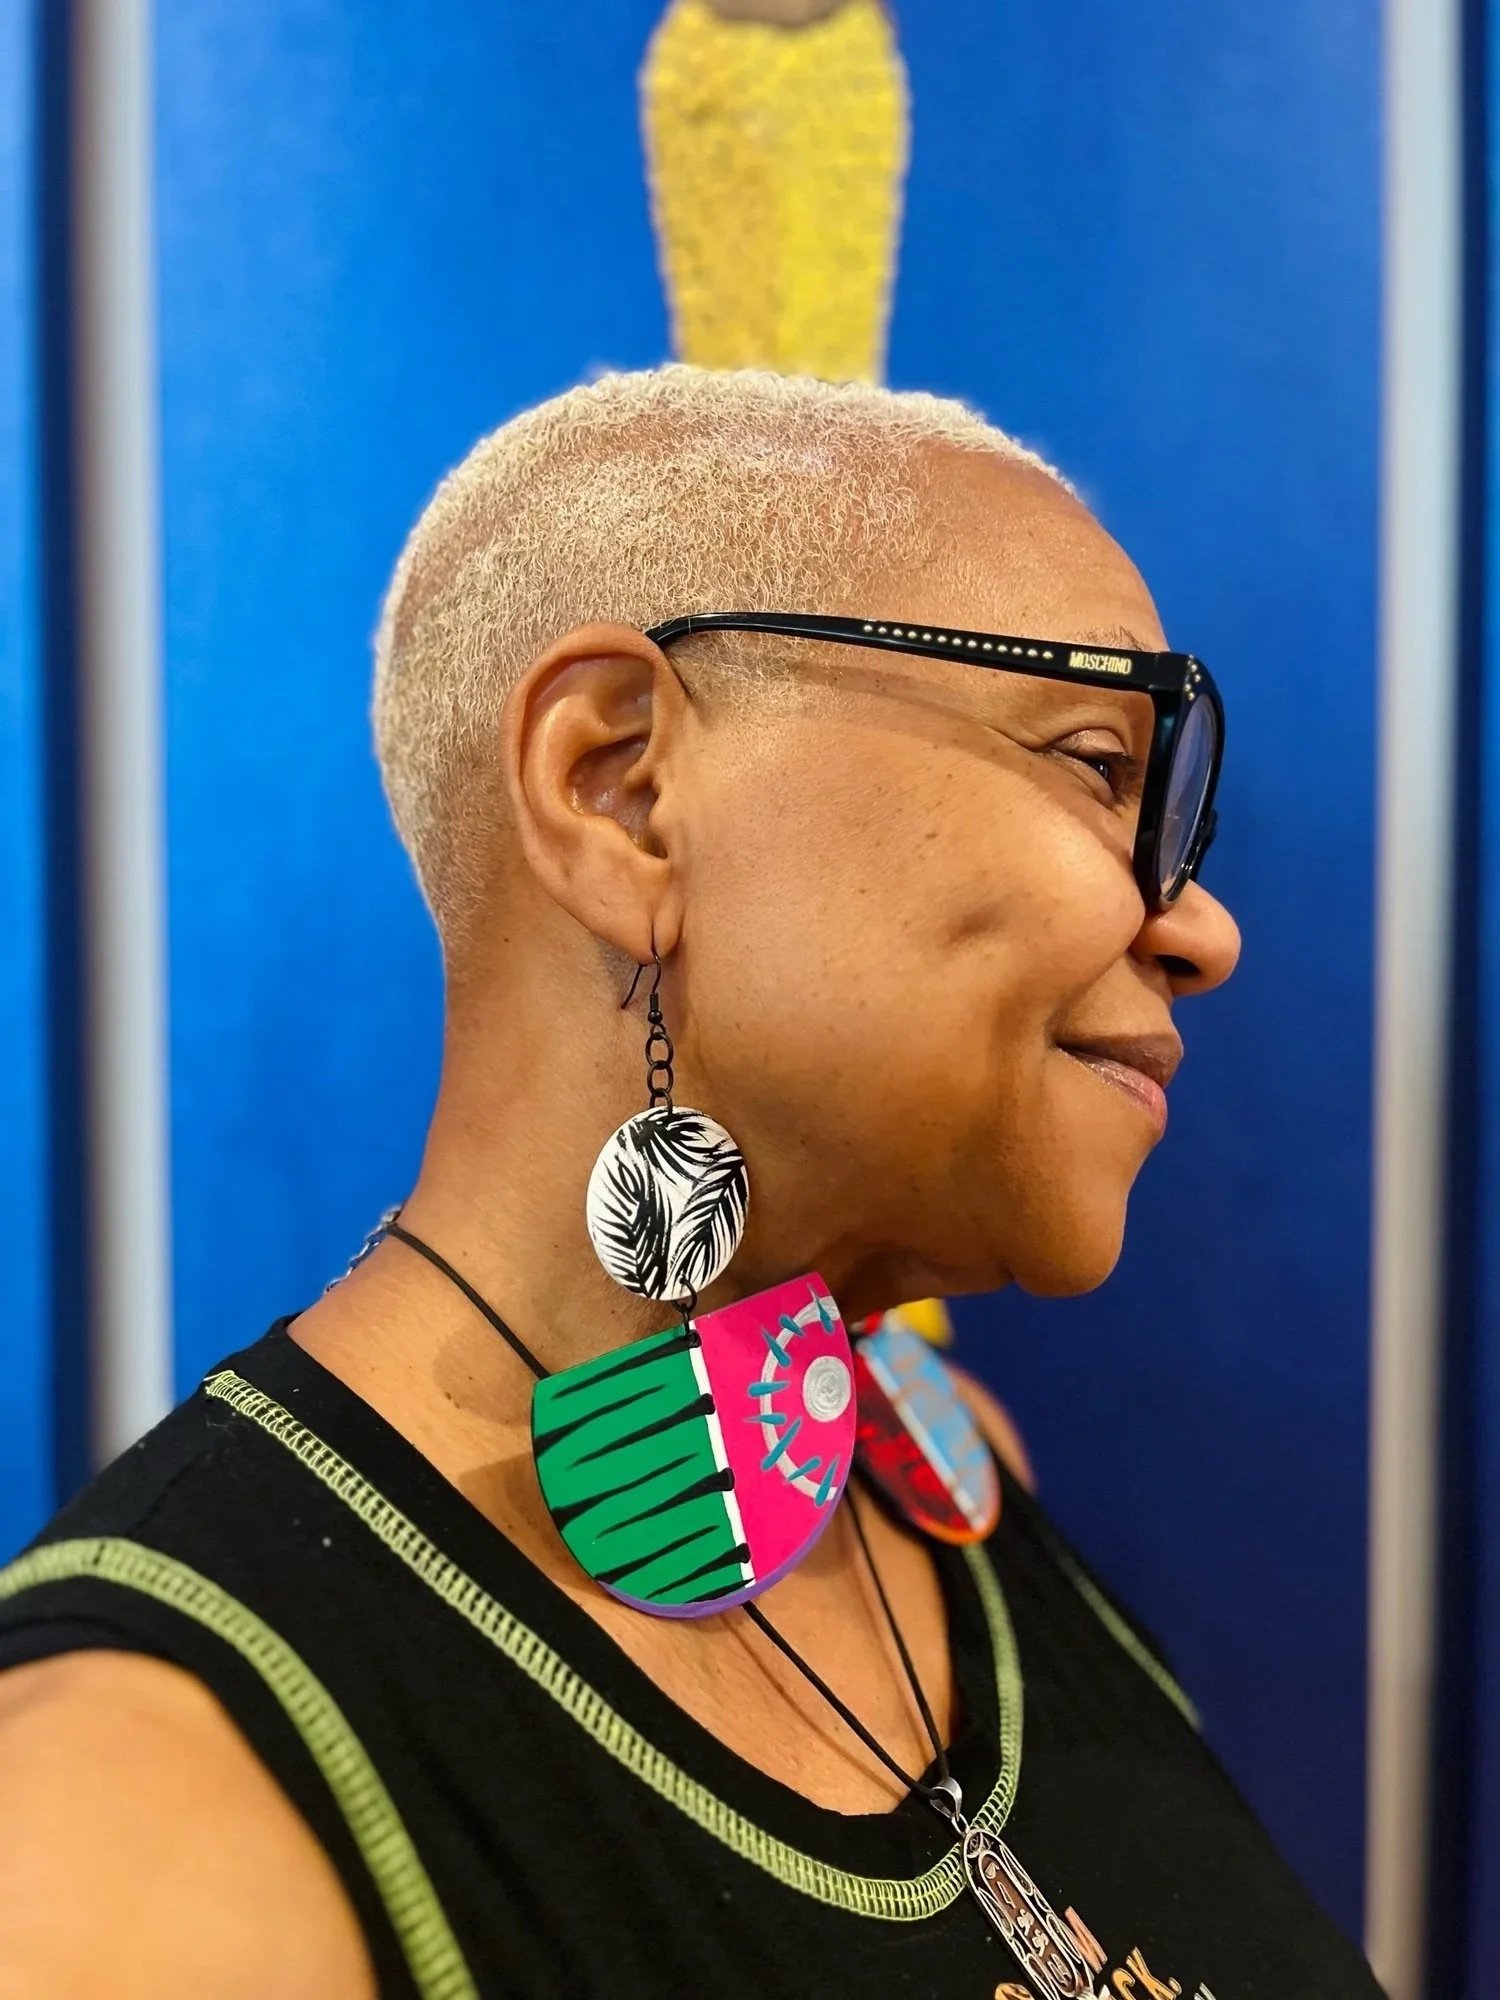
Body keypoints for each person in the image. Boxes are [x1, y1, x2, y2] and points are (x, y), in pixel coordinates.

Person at [0, 365, 1386, 1999]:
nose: (1202, 926)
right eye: (1096, 763)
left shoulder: (943, 1481)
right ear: (625, 791)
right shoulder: (117, 1829)